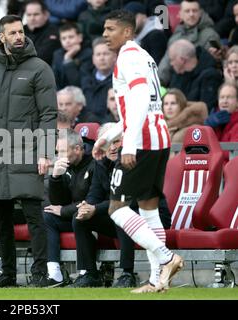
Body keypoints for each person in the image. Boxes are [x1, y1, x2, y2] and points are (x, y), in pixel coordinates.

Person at [92, 10, 183, 293]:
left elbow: (141, 99)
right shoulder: (143, 56)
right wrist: (109, 136)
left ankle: (167, 258)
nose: (105, 34)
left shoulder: (128, 57)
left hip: (142, 143)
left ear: (128, 32)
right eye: (104, 29)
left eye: (110, 29)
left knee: (117, 210)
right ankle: (157, 280)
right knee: (148, 210)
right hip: (159, 138)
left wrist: (128, 144)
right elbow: (141, 107)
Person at [0, 15, 58, 287]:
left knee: (34, 217)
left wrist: (44, 152)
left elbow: (49, 114)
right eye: (13, 33)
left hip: (27, 151)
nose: (19, 37)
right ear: (2, 37)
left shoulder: (40, 68)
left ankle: (40, 275)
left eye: (21, 32)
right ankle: (7, 274)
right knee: (1, 219)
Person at [76, 123, 172, 289]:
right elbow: (95, 193)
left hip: (153, 216)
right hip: (121, 213)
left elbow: (129, 199)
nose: (112, 148)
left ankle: (127, 273)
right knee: (80, 220)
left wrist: (96, 209)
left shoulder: (133, 160)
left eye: (116, 141)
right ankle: (90, 273)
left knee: (124, 215)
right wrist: (87, 206)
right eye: (108, 143)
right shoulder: (100, 163)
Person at [43, 129, 94, 287]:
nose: (59, 156)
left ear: (77, 149)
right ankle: (54, 274)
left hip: (93, 216)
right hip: (73, 215)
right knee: (47, 215)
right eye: (58, 152)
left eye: (63, 151)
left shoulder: (94, 164)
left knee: (78, 216)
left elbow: (90, 201)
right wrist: (56, 177)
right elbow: (59, 201)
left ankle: (86, 272)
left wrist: (64, 210)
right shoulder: (67, 166)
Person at [24, 0, 61, 66]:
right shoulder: (19, 30)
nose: (32, 18)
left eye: (36, 14)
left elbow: (40, 58)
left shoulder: (53, 33)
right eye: (29, 15)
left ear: (46, 15)